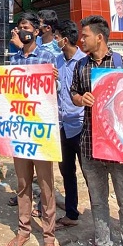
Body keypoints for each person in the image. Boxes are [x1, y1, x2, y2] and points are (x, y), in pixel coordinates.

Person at [70, 15, 123, 246]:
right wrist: (80, 99)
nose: (81, 39)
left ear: (99, 37)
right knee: (98, 202)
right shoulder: (81, 66)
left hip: (120, 147)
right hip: (89, 145)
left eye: (84, 35)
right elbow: (74, 92)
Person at [0, 11, 59, 246]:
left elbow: (58, 88)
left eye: (25, 27)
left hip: (42, 135)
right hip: (20, 132)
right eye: (19, 27)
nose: (21, 31)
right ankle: (23, 230)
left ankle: (48, 237)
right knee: (22, 184)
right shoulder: (12, 60)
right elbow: (8, 94)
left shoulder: (49, 57)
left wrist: (55, 78)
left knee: (46, 187)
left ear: (36, 31)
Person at [52, 20, 86, 229]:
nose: (55, 41)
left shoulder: (85, 62)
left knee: (90, 174)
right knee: (66, 171)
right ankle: (71, 212)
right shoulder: (56, 61)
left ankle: (100, 217)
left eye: (57, 38)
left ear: (65, 40)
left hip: (81, 126)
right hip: (62, 125)